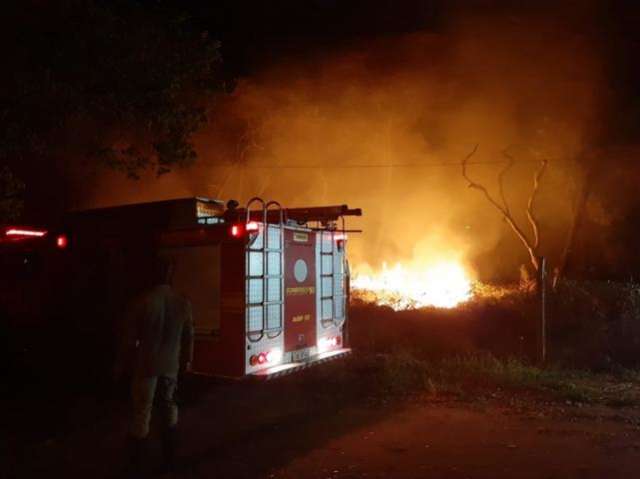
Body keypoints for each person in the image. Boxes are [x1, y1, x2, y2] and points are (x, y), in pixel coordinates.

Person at [113, 255, 194, 475]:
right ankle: (170, 458)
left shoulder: (142, 301)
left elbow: (128, 341)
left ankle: (136, 463)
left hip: (146, 365)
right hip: (170, 365)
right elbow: (188, 337)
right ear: (170, 274)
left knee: (142, 412)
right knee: (168, 407)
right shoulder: (182, 302)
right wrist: (186, 361)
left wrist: (121, 366)